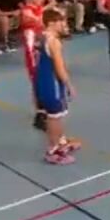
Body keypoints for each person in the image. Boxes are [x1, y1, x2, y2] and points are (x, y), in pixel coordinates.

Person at [35, 9, 82, 165]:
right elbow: (59, 68)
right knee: (55, 117)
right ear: (51, 23)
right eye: (60, 21)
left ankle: (61, 142)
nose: (64, 24)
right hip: (52, 83)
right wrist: (69, 85)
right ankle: (53, 151)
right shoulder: (54, 42)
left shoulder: (42, 37)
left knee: (53, 115)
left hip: (43, 81)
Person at [20, 0, 48, 129]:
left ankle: (43, 110)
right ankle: (40, 113)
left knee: (44, 80)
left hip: (41, 48)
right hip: (33, 51)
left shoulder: (40, 9)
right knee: (37, 81)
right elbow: (37, 23)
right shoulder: (27, 10)